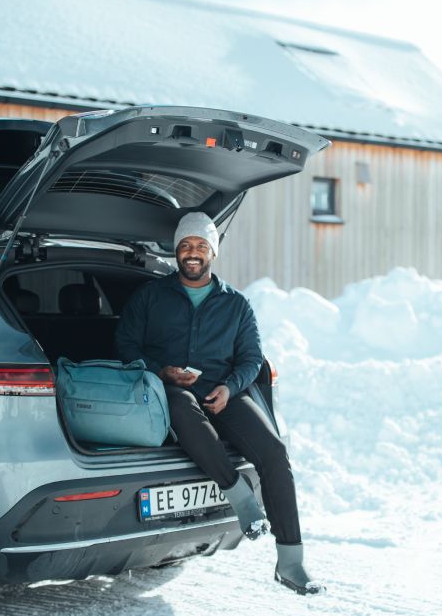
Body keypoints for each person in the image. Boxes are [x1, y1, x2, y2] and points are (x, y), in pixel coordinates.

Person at [114, 212, 324, 596]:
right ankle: (240, 496)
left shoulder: (237, 305)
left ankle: (291, 562)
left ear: (213, 252)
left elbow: (251, 359)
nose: (192, 253)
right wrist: (162, 372)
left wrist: (230, 388)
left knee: (275, 453)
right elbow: (125, 346)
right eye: (186, 245)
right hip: (169, 390)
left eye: (200, 246)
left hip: (224, 392)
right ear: (177, 251)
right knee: (182, 407)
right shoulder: (151, 297)